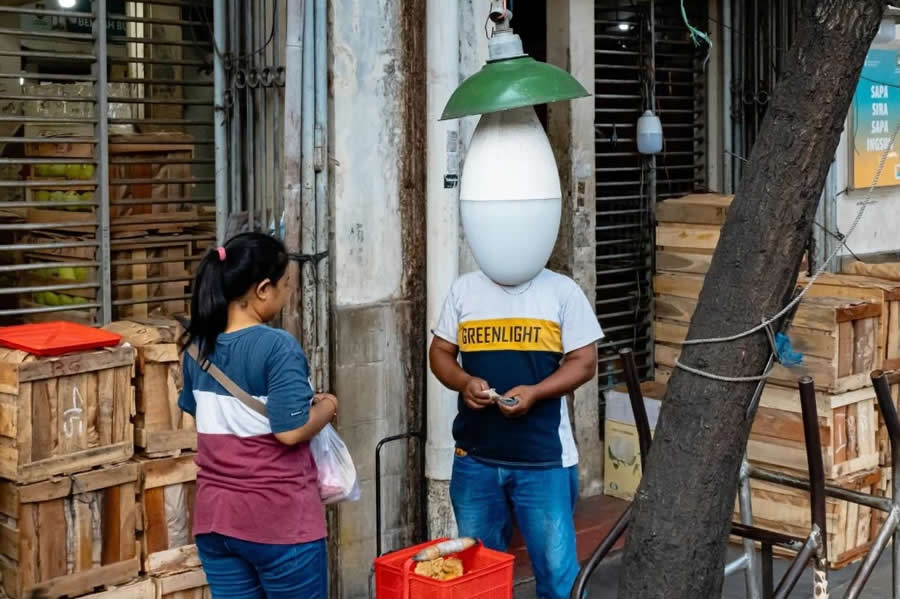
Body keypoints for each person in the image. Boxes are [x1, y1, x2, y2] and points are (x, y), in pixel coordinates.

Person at [178, 232, 337, 599]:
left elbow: (195, 414)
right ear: (263, 289)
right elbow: (291, 432)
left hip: (216, 522)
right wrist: (328, 408)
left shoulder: (196, 346)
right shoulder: (276, 345)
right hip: (278, 521)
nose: (288, 294)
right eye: (285, 285)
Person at [429, 268, 603, 599]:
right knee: (481, 575)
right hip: (475, 458)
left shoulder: (561, 290)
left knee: (557, 578)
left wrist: (536, 392)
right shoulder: (464, 289)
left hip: (544, 460)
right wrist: (464, 382)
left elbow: (584, 362)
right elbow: (439, 353)